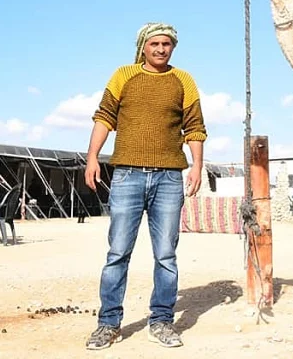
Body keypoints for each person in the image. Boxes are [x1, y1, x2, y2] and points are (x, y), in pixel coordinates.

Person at [83, 22, 206, 351]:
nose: (161, 49)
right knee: (117, 252)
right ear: (143, 47)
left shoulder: (184, 81)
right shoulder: (124, 75)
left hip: (169, 177)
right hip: (127, 174)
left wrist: (197, 166)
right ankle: (108, 324)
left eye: (167, 44)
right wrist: (92, 157)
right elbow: (104, 117)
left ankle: (162, 321)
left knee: (166, 254)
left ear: (173, 48)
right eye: (155, 43)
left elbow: (194, 127)